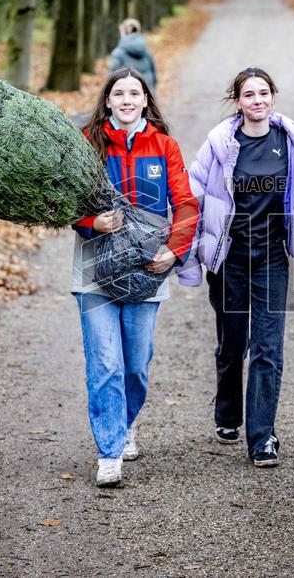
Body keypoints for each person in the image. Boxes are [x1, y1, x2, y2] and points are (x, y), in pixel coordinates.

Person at [178, 68, 294, 467]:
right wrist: (186, 254)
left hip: (272, 257)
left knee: (268, 347)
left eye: (263, 93)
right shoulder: (220, 143)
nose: (257, 100)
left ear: (273, 97)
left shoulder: (291, 143)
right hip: (230, 257)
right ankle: (227, 411)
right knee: (233, 343)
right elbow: (193, 196)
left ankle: (262, 437)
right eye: (248, 94)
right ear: (237, 101)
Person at [72, 67, 198, 487]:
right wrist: (93, 222)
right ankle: (109, 452)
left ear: (145, 100)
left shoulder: (164, 146)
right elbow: (65, 202)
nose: (126, 100)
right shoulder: (89, 144)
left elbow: (185, 204)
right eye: (118, 93)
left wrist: (174, 251)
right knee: (105, 363)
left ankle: (125, 422)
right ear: (107, 100)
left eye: (134, 93)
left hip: (147, 270)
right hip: (93, 271)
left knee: (136, 366)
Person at [108, 18, 158, 93]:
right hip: (147, 95)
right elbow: (153, 74)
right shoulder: (146, 50)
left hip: (126, 98)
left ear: (123, 32)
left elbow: (111, 79)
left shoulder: (118, 53)